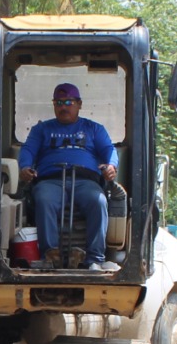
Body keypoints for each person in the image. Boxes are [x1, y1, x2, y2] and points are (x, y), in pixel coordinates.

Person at [18, 81, 122, 272]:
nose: (63, 107)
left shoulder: (94, 128)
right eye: (58, 103)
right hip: (51, 180)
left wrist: (111, 165)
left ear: (79, 104)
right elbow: (28, 150)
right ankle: (50, 256)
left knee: (98, 201)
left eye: (68, 102)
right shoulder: (41, 130)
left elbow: (109, 150)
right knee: (43, 199)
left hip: (85, 181)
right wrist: (25, 167)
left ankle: (95, 259)